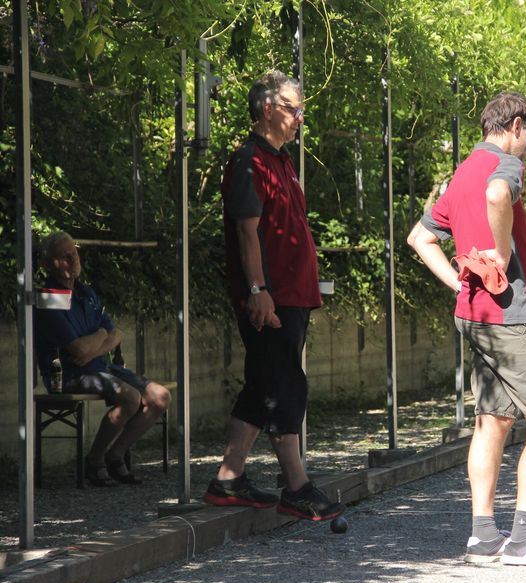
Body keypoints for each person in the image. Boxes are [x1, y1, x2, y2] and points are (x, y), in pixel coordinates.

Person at [407, 91, 526, 567]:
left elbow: (420, 238)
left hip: (475, 314)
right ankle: (523, 540)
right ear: (517, 125)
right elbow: (498, 194)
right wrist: (500, 256)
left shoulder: (462, 169)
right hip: (508, 316)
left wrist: (457, 283)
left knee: (494, 420)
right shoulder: (504, 166)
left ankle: (483, 537)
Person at [203, 71, 344, 521]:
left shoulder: (283, 161)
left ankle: (228, 479)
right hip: (271, 298)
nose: (300, 117)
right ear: (268, 108)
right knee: (284, 385)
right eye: (293, 107)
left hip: (292, 294)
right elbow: (248, 234)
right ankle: (297, 487)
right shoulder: (248, 162)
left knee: (264, 382)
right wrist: (258, 290)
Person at [34, 231, 171, 486]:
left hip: (100, 367)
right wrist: (100, 336)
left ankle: (115, 455)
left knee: (160, 396)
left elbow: (116, 333)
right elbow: (77, 350)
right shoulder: (49, 299)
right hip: (66, 374)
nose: (72, 260)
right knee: (130, 397)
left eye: (73, 253)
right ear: (47, 264)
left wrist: (94, 344)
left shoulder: (86, 293)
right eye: (63, 257)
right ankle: (95, 461)